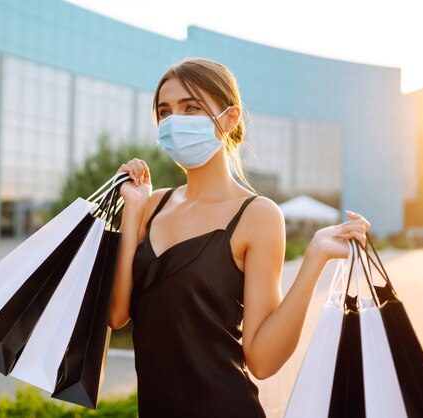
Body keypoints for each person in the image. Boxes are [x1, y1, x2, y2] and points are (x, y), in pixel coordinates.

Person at [108, 57, 370, 417]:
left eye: (191, 107)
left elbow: (261, 361)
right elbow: (117, 314)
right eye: (165, 112)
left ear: (230, 119)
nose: (174, 122)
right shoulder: (151, 205)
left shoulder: (258, 215)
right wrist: (132, 213)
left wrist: (314, 259)